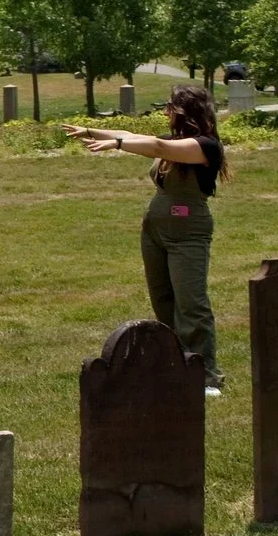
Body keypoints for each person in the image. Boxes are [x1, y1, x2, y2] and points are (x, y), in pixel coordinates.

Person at [66, 83, 231, 394]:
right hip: (154, 231)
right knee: (163, 301)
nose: (166, 111)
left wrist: (115, 144)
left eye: (170, 106)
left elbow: (156, 147)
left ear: (184, 111)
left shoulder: (205, 146)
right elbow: (133, 137)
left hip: (188, 233)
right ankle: (176, 364)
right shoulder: (174, 140)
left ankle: (206, 375)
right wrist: (90, 129)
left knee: (191, 304)